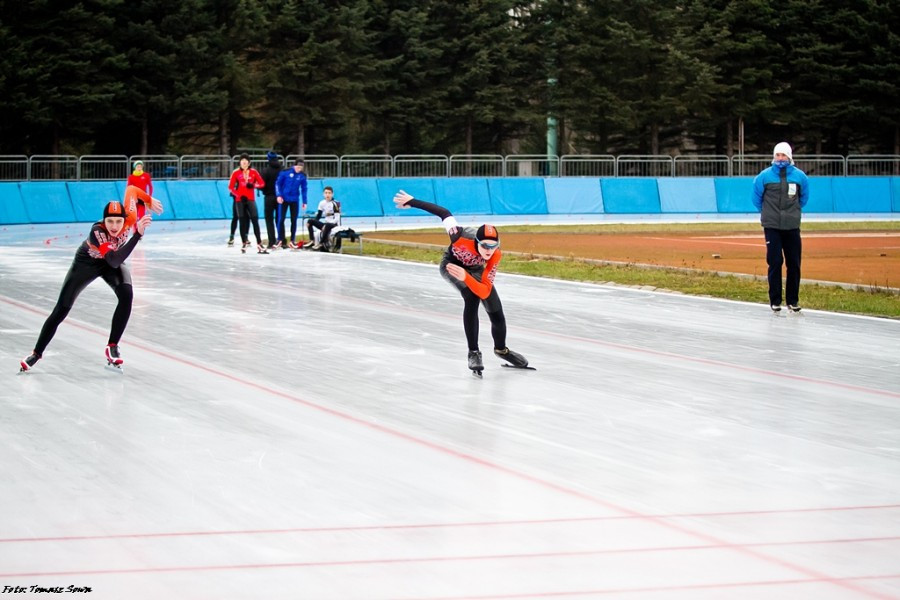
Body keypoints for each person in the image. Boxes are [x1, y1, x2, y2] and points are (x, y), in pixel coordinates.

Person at [19, 192, 162, 373]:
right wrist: (136, 236)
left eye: (118, 222)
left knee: (126, 295)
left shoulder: (131, 218)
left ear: (125, 219)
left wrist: (148, 200)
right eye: (110, 221)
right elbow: (114, 261)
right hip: (88, 263)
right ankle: (36, 354)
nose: (114, 226)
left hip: (112, 261)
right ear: (104, 221)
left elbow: (132, 189)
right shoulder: (98, 231)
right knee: (62, 308)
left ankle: (112, 346)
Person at [392, 189, 529, 374]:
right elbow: (444, 213)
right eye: (485, 246)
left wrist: (469, 277)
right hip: (452, 266)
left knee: (496, 310)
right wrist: (413, 201)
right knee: (471, 298)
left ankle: (501, 349)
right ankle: (473, 352)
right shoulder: (459, 235)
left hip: (474, 271)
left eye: (493, 246)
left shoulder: (495, 255)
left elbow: (485, 291)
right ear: (477, 242)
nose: (489, 251)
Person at [751, 142, 810, 313]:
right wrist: (767, 213)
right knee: (775, 261)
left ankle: (792, 301)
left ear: (790, 157)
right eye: (778, 155)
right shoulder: (764, 176)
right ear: (773, 157)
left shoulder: (800, 177)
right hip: (772, 226)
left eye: (783, 155)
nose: (780, 158)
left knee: (794, 263)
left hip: (791, 225)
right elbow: (756, 198)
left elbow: (804, 198)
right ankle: (775, 300)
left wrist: (794, 212)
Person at [227, 153, 268, 254]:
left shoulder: (253, 172)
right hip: (240, 200)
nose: (244, 163)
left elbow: (262, 183)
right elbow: (230, 187)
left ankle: (259, 242)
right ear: (240, 163)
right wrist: (238, 195)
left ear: (249, 163)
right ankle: (244, 242)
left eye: (246, 162)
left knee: (254, 219)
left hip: (250, 199)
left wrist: (253, 185)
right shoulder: (236, 173)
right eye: (242, 161)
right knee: (242, 220)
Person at [274, 158, 308, 248]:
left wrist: (304, 201)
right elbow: (278, 184)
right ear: (294, 165)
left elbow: (304, 189)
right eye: (298, 167)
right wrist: (279, 195)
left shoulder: (302, 176)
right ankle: (279, 239)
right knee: (281, 219)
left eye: (301, 167)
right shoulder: (285, 172)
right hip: (284, 199)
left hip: (294, 200)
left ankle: (292, 240)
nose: (299, 169)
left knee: (294, 220)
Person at [259, 151, 283, 249]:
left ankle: (271, 241)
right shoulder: (282, 169)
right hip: (280, 197)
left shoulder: (265, 171)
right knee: (279, 219)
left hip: (269, 197)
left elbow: (261, 184)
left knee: (269, 220)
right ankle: (282, 241)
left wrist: (264, 190)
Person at [304, 185, 339, 251]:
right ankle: (312, 240)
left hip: (333, 224)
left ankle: (321, 243)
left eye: (329, 193)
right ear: (323, 194)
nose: (327, 195)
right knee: (310, 221)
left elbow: (337, 219)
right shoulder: (321, 203)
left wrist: (326, 225)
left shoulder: (336, 203)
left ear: (332, 194)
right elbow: (318, 216)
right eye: (326, 193)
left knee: (328, 225)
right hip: (325, 224)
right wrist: (313, 222)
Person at [127, 160, 153, 227]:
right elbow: (129, 188)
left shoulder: (146, 175)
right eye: (138, 166)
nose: (139, 167)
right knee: (134, 216)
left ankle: (141, 231)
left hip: (142, 198)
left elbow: (150, 186)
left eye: (140, 166)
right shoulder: (131, 177)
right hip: (134, 198)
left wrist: (149, 197)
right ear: (135, 167)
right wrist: (130, 198)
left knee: (141, 216)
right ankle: (135, 231)